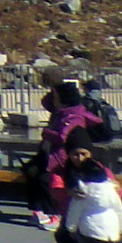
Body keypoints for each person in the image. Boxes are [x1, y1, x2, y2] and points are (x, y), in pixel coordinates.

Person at [26, 79, 103, 229]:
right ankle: (39, 210)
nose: (53, 100)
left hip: (63, 158)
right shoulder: (60, 112)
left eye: (56, 97)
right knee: (31, 171)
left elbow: (62, 137)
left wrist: (46, 133)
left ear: (64, 100)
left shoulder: (74, 116)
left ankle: (55, 213)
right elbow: (46, 103)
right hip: (51, 154)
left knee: (45, 179)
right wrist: (54, 91)